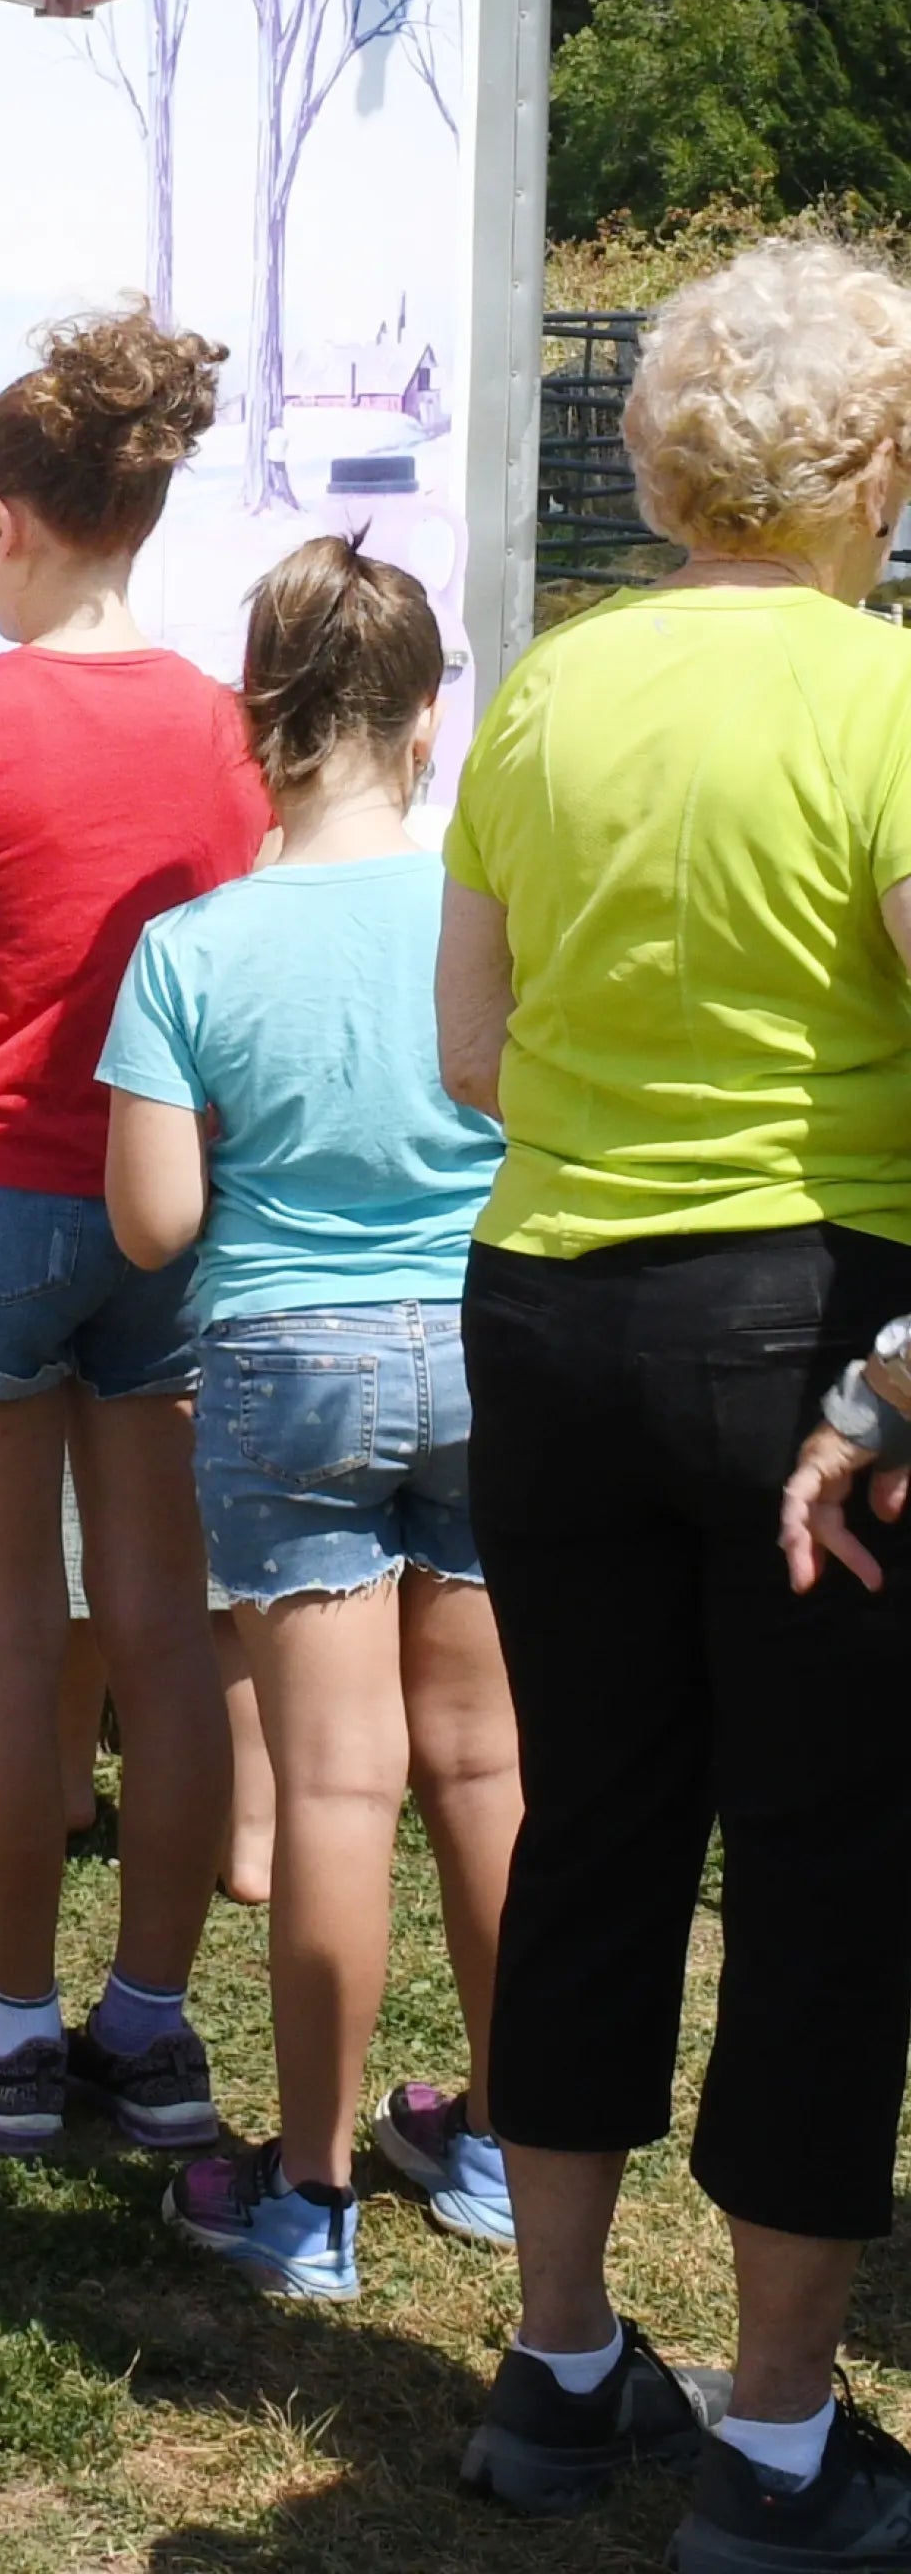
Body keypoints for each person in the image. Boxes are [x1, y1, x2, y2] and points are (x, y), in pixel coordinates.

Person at [436, 236, 911, 2557]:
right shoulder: (882, 696)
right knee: (820, 1868)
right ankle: (781, 2435)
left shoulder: (548, 687)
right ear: (874, 460)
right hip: (809, 1324)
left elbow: (464, 1041)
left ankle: (553, 2361)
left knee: (595, 1828)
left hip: (543, 1310)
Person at [0, 307, 270, 2159]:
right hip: (172, 1204)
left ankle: (15, 2038)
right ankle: (152, 2033)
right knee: (164, 1635)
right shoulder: (232, 733)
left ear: (9, 520)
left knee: (6, 1632)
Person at [101, 539, 518, 2305]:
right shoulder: (498, 917)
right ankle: (500, 2144)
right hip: (497, 1343)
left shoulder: (190, 947)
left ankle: (316, 2195)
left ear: (253, 721)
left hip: (285, 1358)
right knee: (492, 1769)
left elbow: (152, 1223)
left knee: (336, 1785)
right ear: (435, 715)